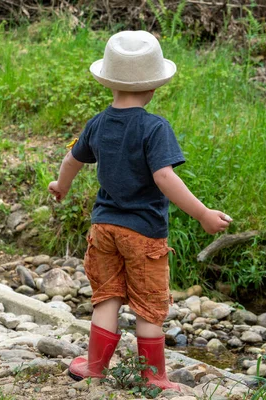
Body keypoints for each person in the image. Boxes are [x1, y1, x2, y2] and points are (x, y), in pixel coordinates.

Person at [47, 30, 232, 390]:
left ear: (110, 83)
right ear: (153, 87)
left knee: (107, 297)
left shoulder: (98, 123)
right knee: (149, 307)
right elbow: (164, 176)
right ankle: (153, 377)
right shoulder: (154, 127)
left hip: (103, 229)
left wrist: (61, 186)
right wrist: (203, 213)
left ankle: (95, 367)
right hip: (143, 232)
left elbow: (71, 160)